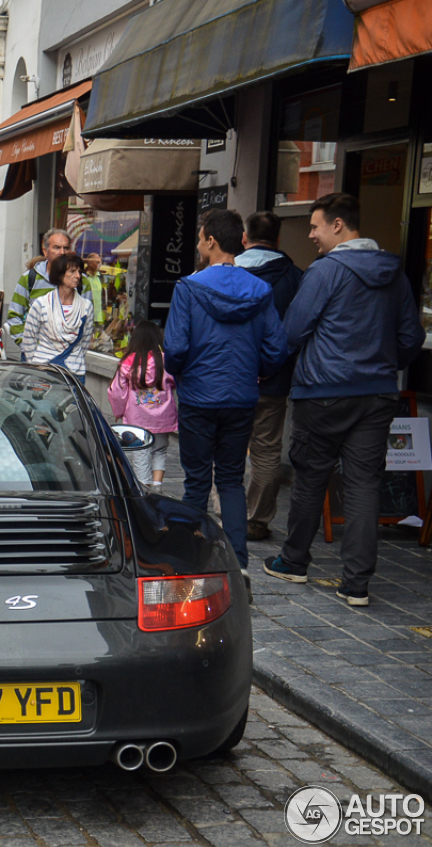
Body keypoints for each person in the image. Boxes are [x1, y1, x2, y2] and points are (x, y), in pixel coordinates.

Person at [264, 193, 426, 605]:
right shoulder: (395, 273)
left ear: (339, 225)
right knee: (363, 486)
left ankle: (295, 561)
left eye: (316, 226)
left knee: (310, 479)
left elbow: (293, 331)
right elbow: (412, 338)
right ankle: (356, 585)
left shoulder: (325, 271)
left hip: (323, 392)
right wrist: (384, 361)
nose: (312, 235)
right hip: (377, 394)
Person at [163, 208, 288, 574]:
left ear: (211, 241)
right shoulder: (261, 291)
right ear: (242, 242)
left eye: (201, 238)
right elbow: (277, 349)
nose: (199, 243)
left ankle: (190, 560)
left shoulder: (188, 288)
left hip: (199, 397)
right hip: (242, 397)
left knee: (197, 482)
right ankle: (239, 566)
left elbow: (176, 348)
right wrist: (257, 373)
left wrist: (180, 375)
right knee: (232, 480)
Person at [236, 211, 304, 543]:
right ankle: (256, 519)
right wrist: (271, 366)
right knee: (266, 449)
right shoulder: (295, 276)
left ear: (245, 238)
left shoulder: (229, 272)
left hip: (232, 376)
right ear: (278, 240)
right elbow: (297, 331)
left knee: (229, 445)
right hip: (275, 379)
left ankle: (229, 513)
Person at [108, 320, 177, 487]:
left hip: (137, 419)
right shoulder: (165, 360)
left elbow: (117, 391)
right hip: (163, 418)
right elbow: (175, 382)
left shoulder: (127, 362)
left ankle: (144, 489)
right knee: (160, 451)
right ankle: (157, 486)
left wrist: (119, 411)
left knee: (140, 454)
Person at [20, 253, 94, 383]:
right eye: (72, 271)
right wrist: (37, 364)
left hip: (74, 374)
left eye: (79, 271)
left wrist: (74, 359)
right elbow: (29, 339)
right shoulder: (41, 304)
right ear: (60, 274)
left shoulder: (86, 307)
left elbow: (85, 340)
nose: (78, 276)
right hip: (44, 372)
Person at [8, 228, 72, 346]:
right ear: (45, 251)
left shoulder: (81, 281)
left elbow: (87, 319)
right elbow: (14, 317)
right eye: (57, 247)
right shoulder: (29, 279)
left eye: (66, 248)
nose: (62, 252)